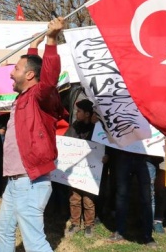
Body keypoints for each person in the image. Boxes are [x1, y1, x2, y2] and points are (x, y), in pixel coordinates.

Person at [0, 17, 66, 252]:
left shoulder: (40, 97)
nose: (10, 74)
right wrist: (34, 44)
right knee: (3, 228)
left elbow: (48, 78)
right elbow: (34, 66)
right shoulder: (23, 96)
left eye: (15, 69)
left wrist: (51, 40)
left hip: (30, 180)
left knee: (34, 242)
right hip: (15, 180)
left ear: (29, 76)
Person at [64, 99, 96, 238]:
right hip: (76, 172)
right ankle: (75, 223)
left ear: (88, 114)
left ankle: (89, 225)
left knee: (88, 199)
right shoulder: (74, 127)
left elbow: (102, 148)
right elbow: (65, 141)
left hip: (90, 171)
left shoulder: (96, 130)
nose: (76, 113)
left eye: (79, 111)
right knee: (74, 198)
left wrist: (105, 157)